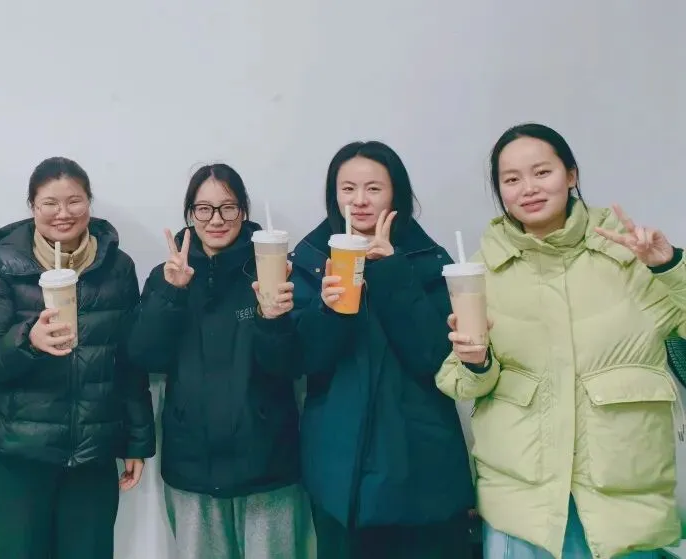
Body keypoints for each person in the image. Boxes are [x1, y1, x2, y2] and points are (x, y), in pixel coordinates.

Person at [436, 123, 685, 558]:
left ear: (571, 175)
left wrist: (668, 266)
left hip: (623, 503)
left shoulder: (628, 257)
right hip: (523, 509)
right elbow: (458, 381)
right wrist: (476, 362)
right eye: (511, 179)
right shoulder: (482, 271)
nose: (528, 188)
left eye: (541, 172)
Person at [290, 141, 475, 558]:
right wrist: (328, 309)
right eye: (348, 189)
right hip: (339, 470)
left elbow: (435, 359)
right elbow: (300, 360)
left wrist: (391, 270)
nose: (359, 200)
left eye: (373, 188)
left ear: (396, 194)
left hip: (422, 466)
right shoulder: (311, 259)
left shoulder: (430, 259)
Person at [0, 156, 155, 559]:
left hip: (93, 452)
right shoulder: (5, 264)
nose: (63, 213)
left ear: (89, 202)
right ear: (32, 206)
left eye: (74, 201)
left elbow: (130, 361)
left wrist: (137, 442)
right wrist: (28, 340)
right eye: (49, 203)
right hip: (20, 453)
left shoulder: (116, 267)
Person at [128, 163, 304, 559]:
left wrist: (272, 318)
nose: (217, 220)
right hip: (192, 462)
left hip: (267, 463)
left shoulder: (273, 268)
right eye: (204, 209)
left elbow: (290, 366)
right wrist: (172, 294)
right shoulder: (168, 275)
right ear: (190, 213)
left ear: (244, 210)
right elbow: (144, 356)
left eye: (228, 207)